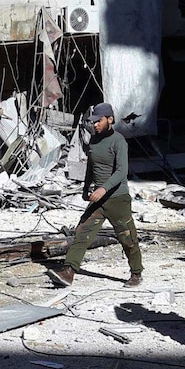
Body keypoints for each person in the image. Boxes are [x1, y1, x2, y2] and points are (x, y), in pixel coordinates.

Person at [47, 102, 143, 288]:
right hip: (98, 200)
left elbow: (122, 172)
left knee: (127, 238)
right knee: (82, 232)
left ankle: (136, 273)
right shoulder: (93, 140)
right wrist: (86, 188)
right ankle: (68, 271)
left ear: (110, 119)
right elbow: (91, 167)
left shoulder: (119, 141)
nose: (95, 125)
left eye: (99, 121)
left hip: (117, 199)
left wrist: (103, 189)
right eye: (93, 122)